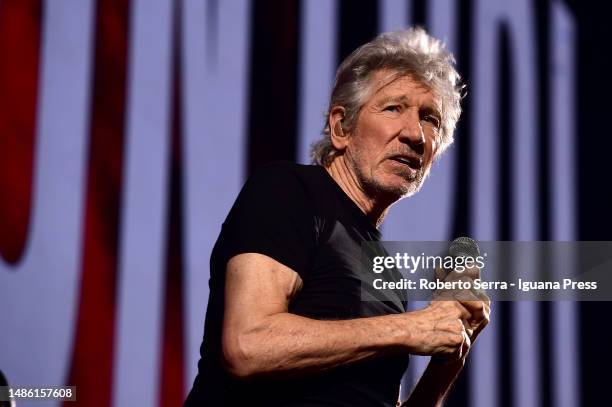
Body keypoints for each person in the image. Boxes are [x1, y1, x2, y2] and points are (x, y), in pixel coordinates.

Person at [184, 27, 490, 407]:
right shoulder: (288, 191)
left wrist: (452, 351)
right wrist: (411, 327)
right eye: (394, 107)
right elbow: (247, 346)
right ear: (341, 127)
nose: (415, 134)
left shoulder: (384, 272)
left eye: (430, 119)